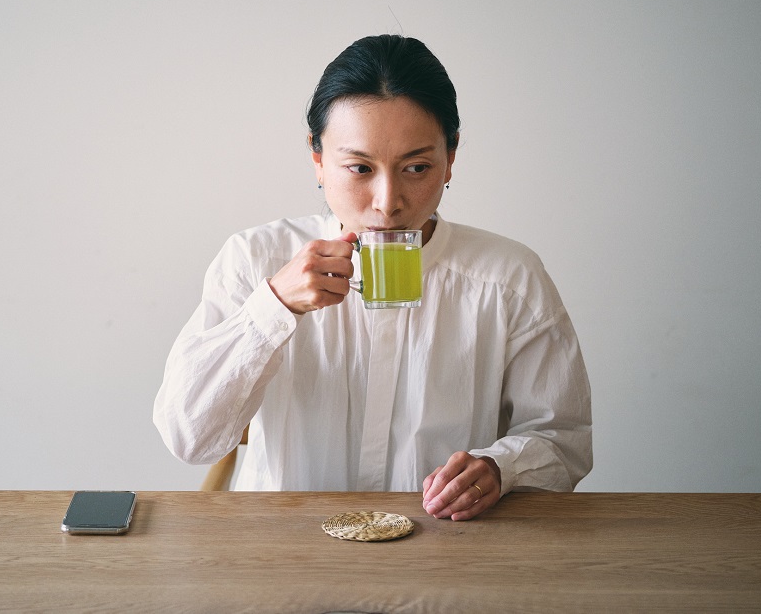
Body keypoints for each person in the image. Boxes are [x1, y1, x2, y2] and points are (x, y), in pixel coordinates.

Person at [153, 34, 591, 520]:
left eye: (417, 167)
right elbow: (189, 438)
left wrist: (500, 468)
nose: (388, 202)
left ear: (450, 158)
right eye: (359, 167)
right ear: (318, 161)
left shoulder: (508, 278)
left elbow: (563, 441)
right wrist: (273, 307)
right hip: (285, 546)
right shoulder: (255, 259)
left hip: (443, 547)